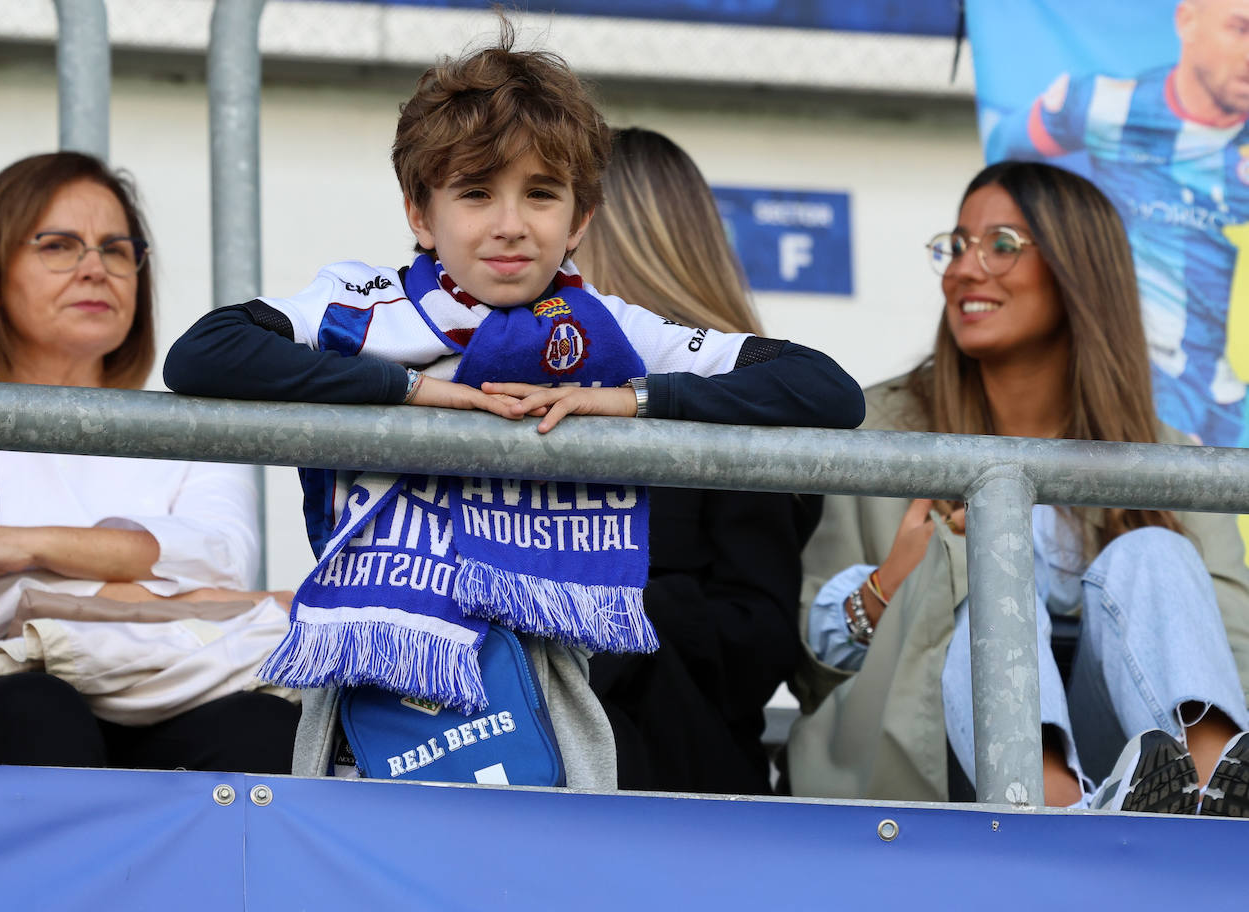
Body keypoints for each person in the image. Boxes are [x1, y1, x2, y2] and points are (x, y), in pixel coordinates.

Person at [164, 26, 864, 789]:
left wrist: (626, 399)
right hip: (374, 686)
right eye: (475, 192)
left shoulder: (610, 327)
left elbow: (825, 389)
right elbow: (203, 353)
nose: (509, 224)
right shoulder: (360, 305)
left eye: (540, 193)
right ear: (420, 215)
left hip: (553, 710)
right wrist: (411, 393)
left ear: (581, 217)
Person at [788, 160, 1249, 815]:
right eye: (957, 245)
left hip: (1123, 770)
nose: (965, 269)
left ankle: (1214, 798)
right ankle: (1052, 812)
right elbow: (807, 673)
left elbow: (1235, 656)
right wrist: (892, 586)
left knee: (1155, 551)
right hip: (919, 764)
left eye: (1002, 245)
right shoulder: (875, 432)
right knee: (985, 577)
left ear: (1078, 272)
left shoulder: (1167, 460)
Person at [0, 151, 299, 773]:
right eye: (59, 246)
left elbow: (226, 565)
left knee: (265, 728)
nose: (95, 269)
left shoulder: (195, 430)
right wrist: (185, 594)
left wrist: (21, 543)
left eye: (116, 249)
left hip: (166, 688)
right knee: (39, 710)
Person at [569, 126, 820, 794]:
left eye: (548, 207)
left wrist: (603, 613)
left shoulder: (735, 402)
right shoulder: (513, 373)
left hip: (671, 788)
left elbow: (755, 643)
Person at [986, 0, 1249, 449]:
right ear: (1187, 21)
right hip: (1111, 393)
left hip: (1221, 406)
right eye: (1241, 29)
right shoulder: (1103, 106)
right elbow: (1004, 158)